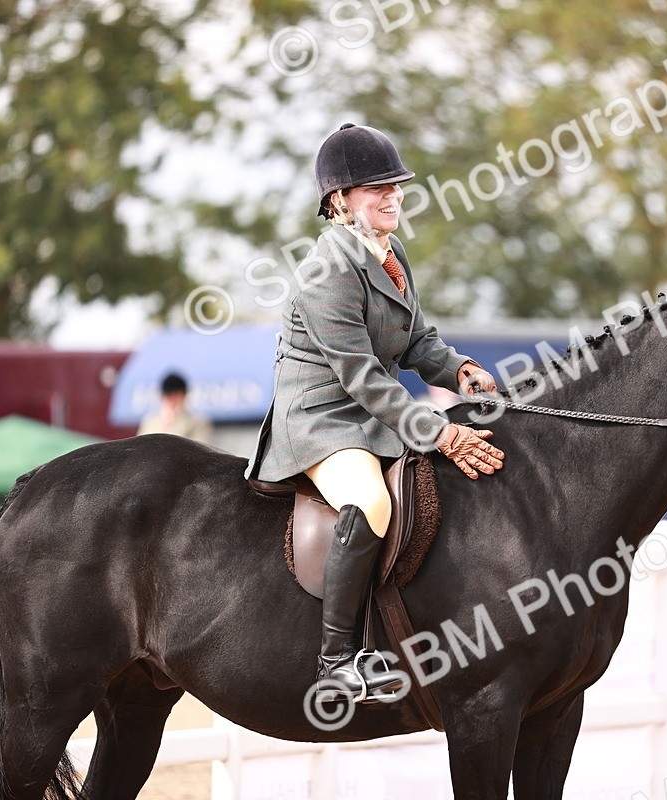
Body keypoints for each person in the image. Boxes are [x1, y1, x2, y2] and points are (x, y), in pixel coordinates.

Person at [245, 123, 505, 702]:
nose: (392, 197)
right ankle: (337, 659)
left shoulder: (390, 251)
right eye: (375, 189)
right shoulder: (325, 272)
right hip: (319, 417)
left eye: (395, 185)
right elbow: (361, 376)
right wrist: (441, 433)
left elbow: (413, 341)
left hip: (366, 413)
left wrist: (457, 369)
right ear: (339, 202)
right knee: (371, 500)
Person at [138, 372, 214, 444]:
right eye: (168, 396)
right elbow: (139, 448)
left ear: (184, 395)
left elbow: (200, 450)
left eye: (176, 396)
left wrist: (172, 423)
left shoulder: (198, 422)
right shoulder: (150, 421)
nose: (172, 401)